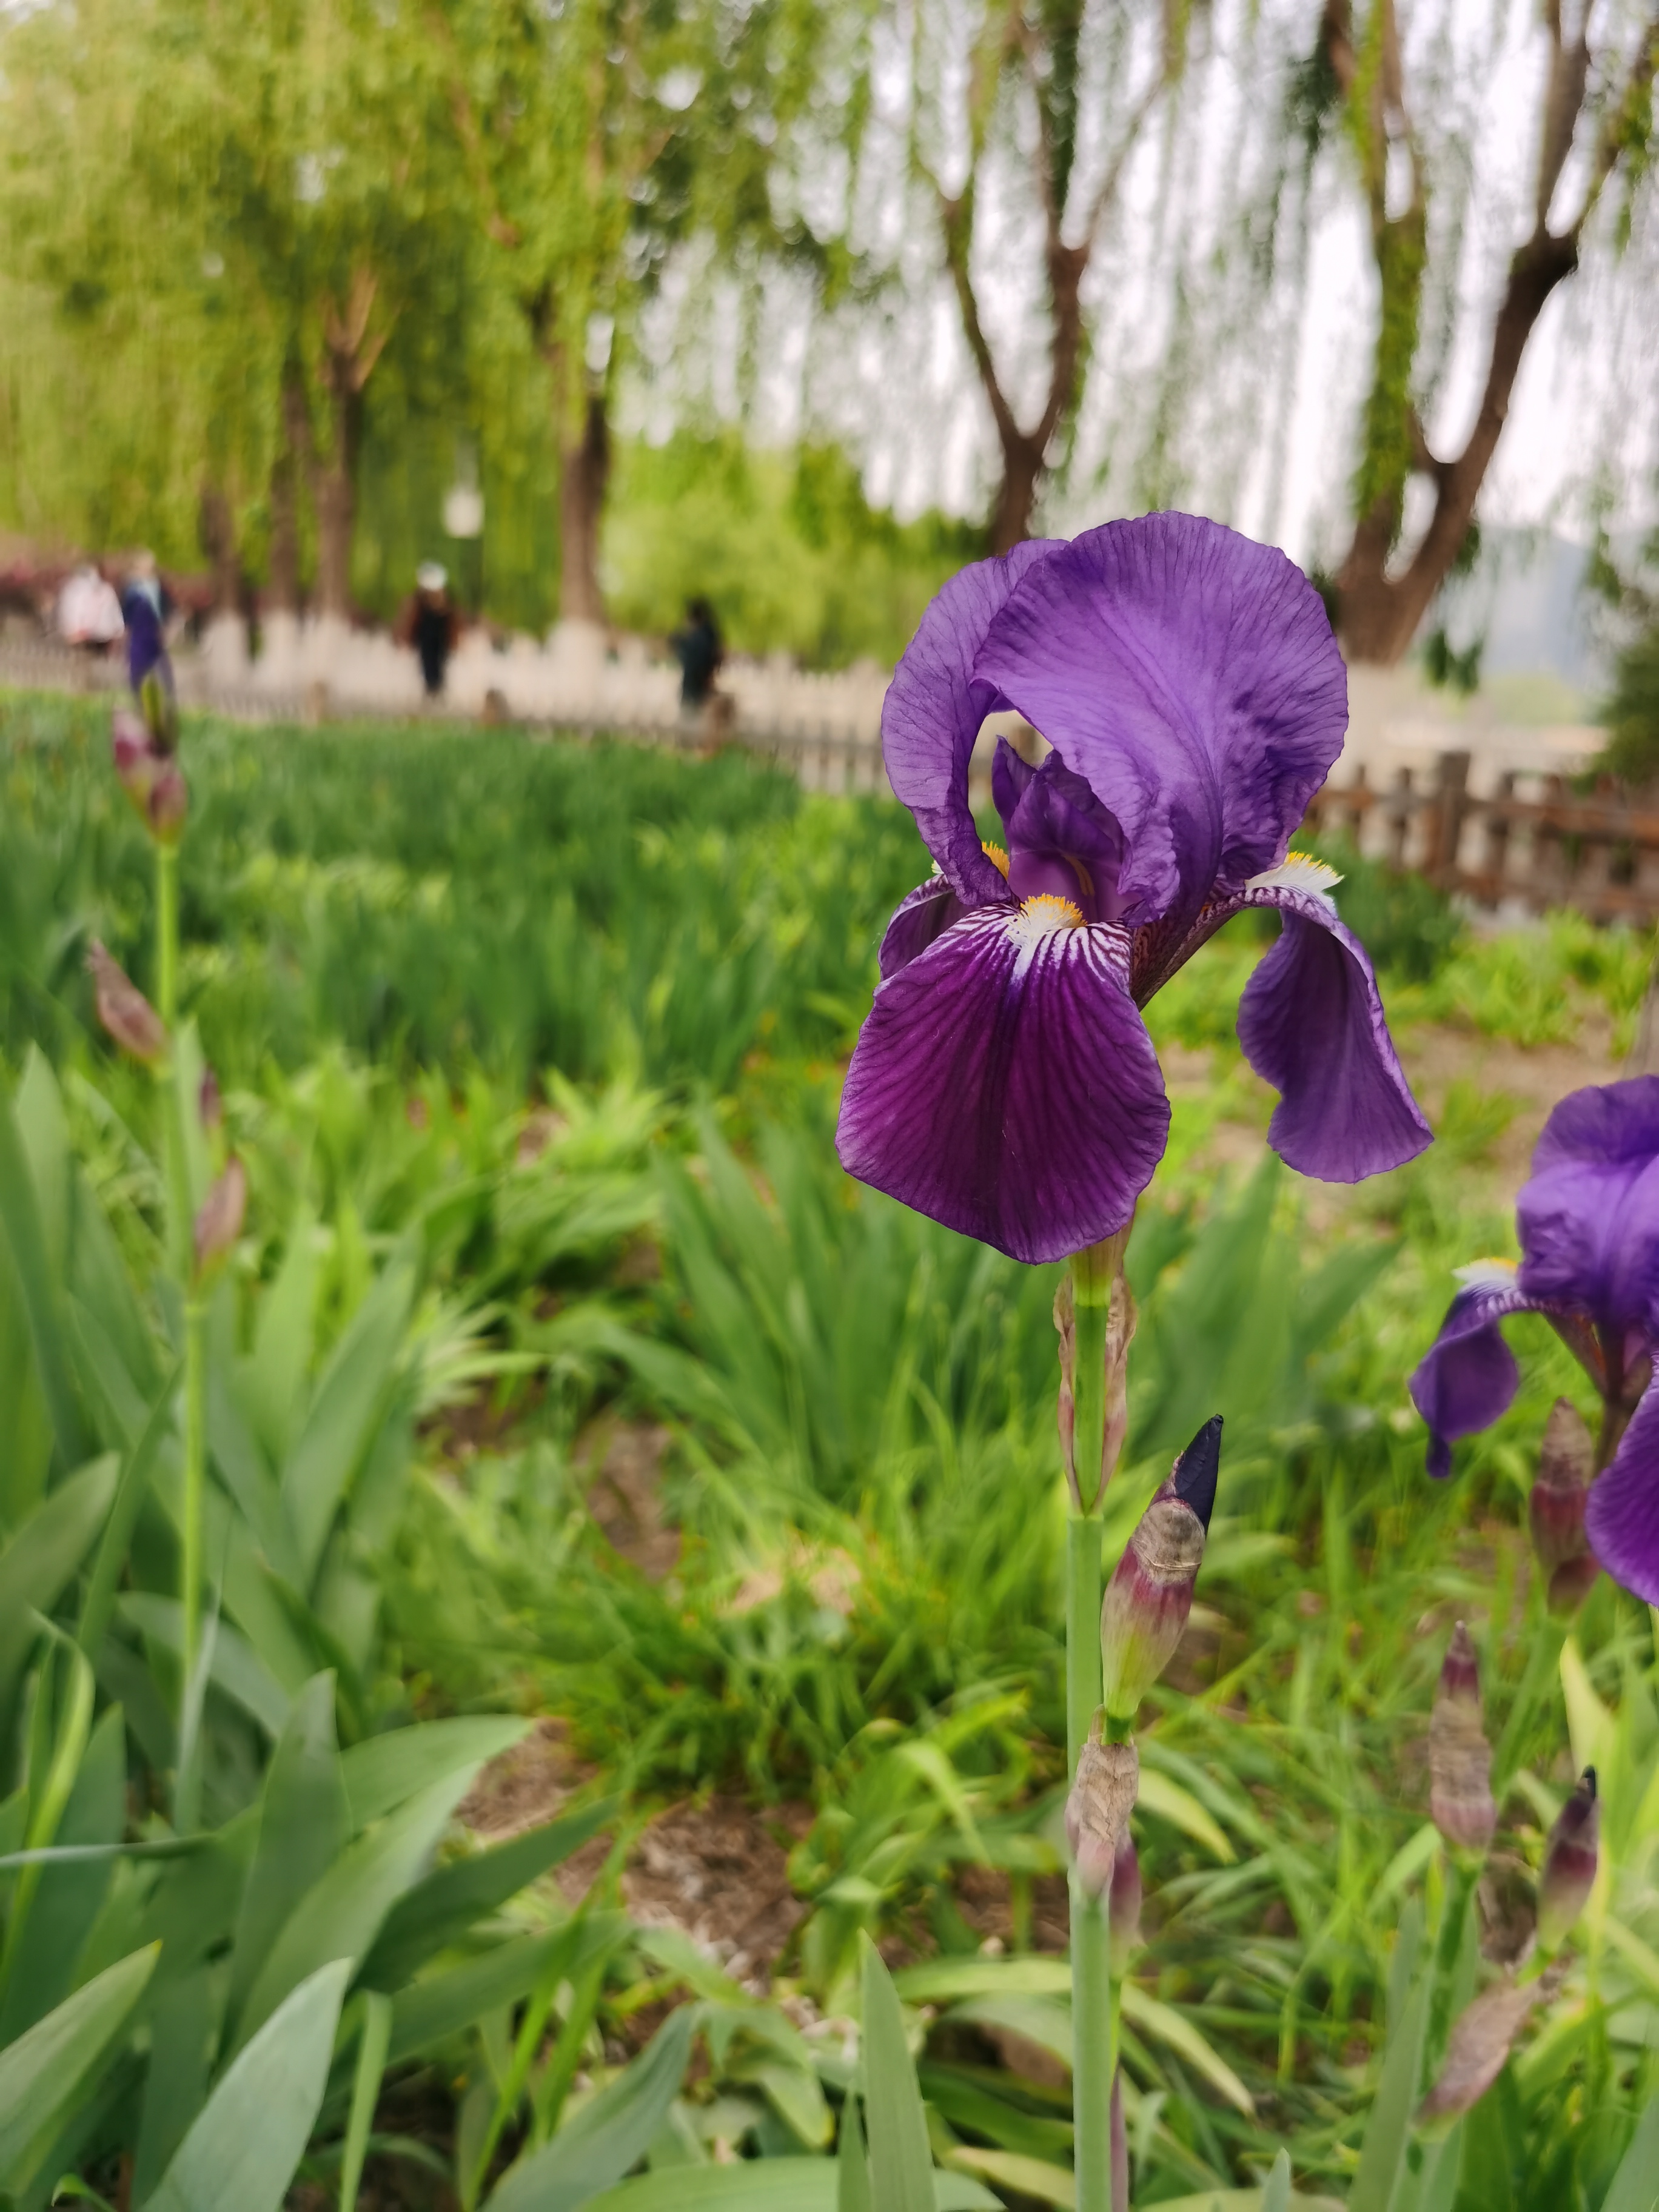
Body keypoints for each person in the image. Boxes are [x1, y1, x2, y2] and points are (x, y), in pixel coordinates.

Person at [398, 561, 457, 697]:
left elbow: (450, 618)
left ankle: (437, 689)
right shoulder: (420, 601)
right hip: (426, 638)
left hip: (440, 639)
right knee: (427, 663)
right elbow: (412, 618)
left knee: (438, 663)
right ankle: (431, 689)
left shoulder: (445, 602)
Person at [670, 597, 723, 723]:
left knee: (692, 719)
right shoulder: (710, 635)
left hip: (695, 687)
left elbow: (692, 659)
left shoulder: (701, 637)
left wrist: (679, 642)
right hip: (701, 686)